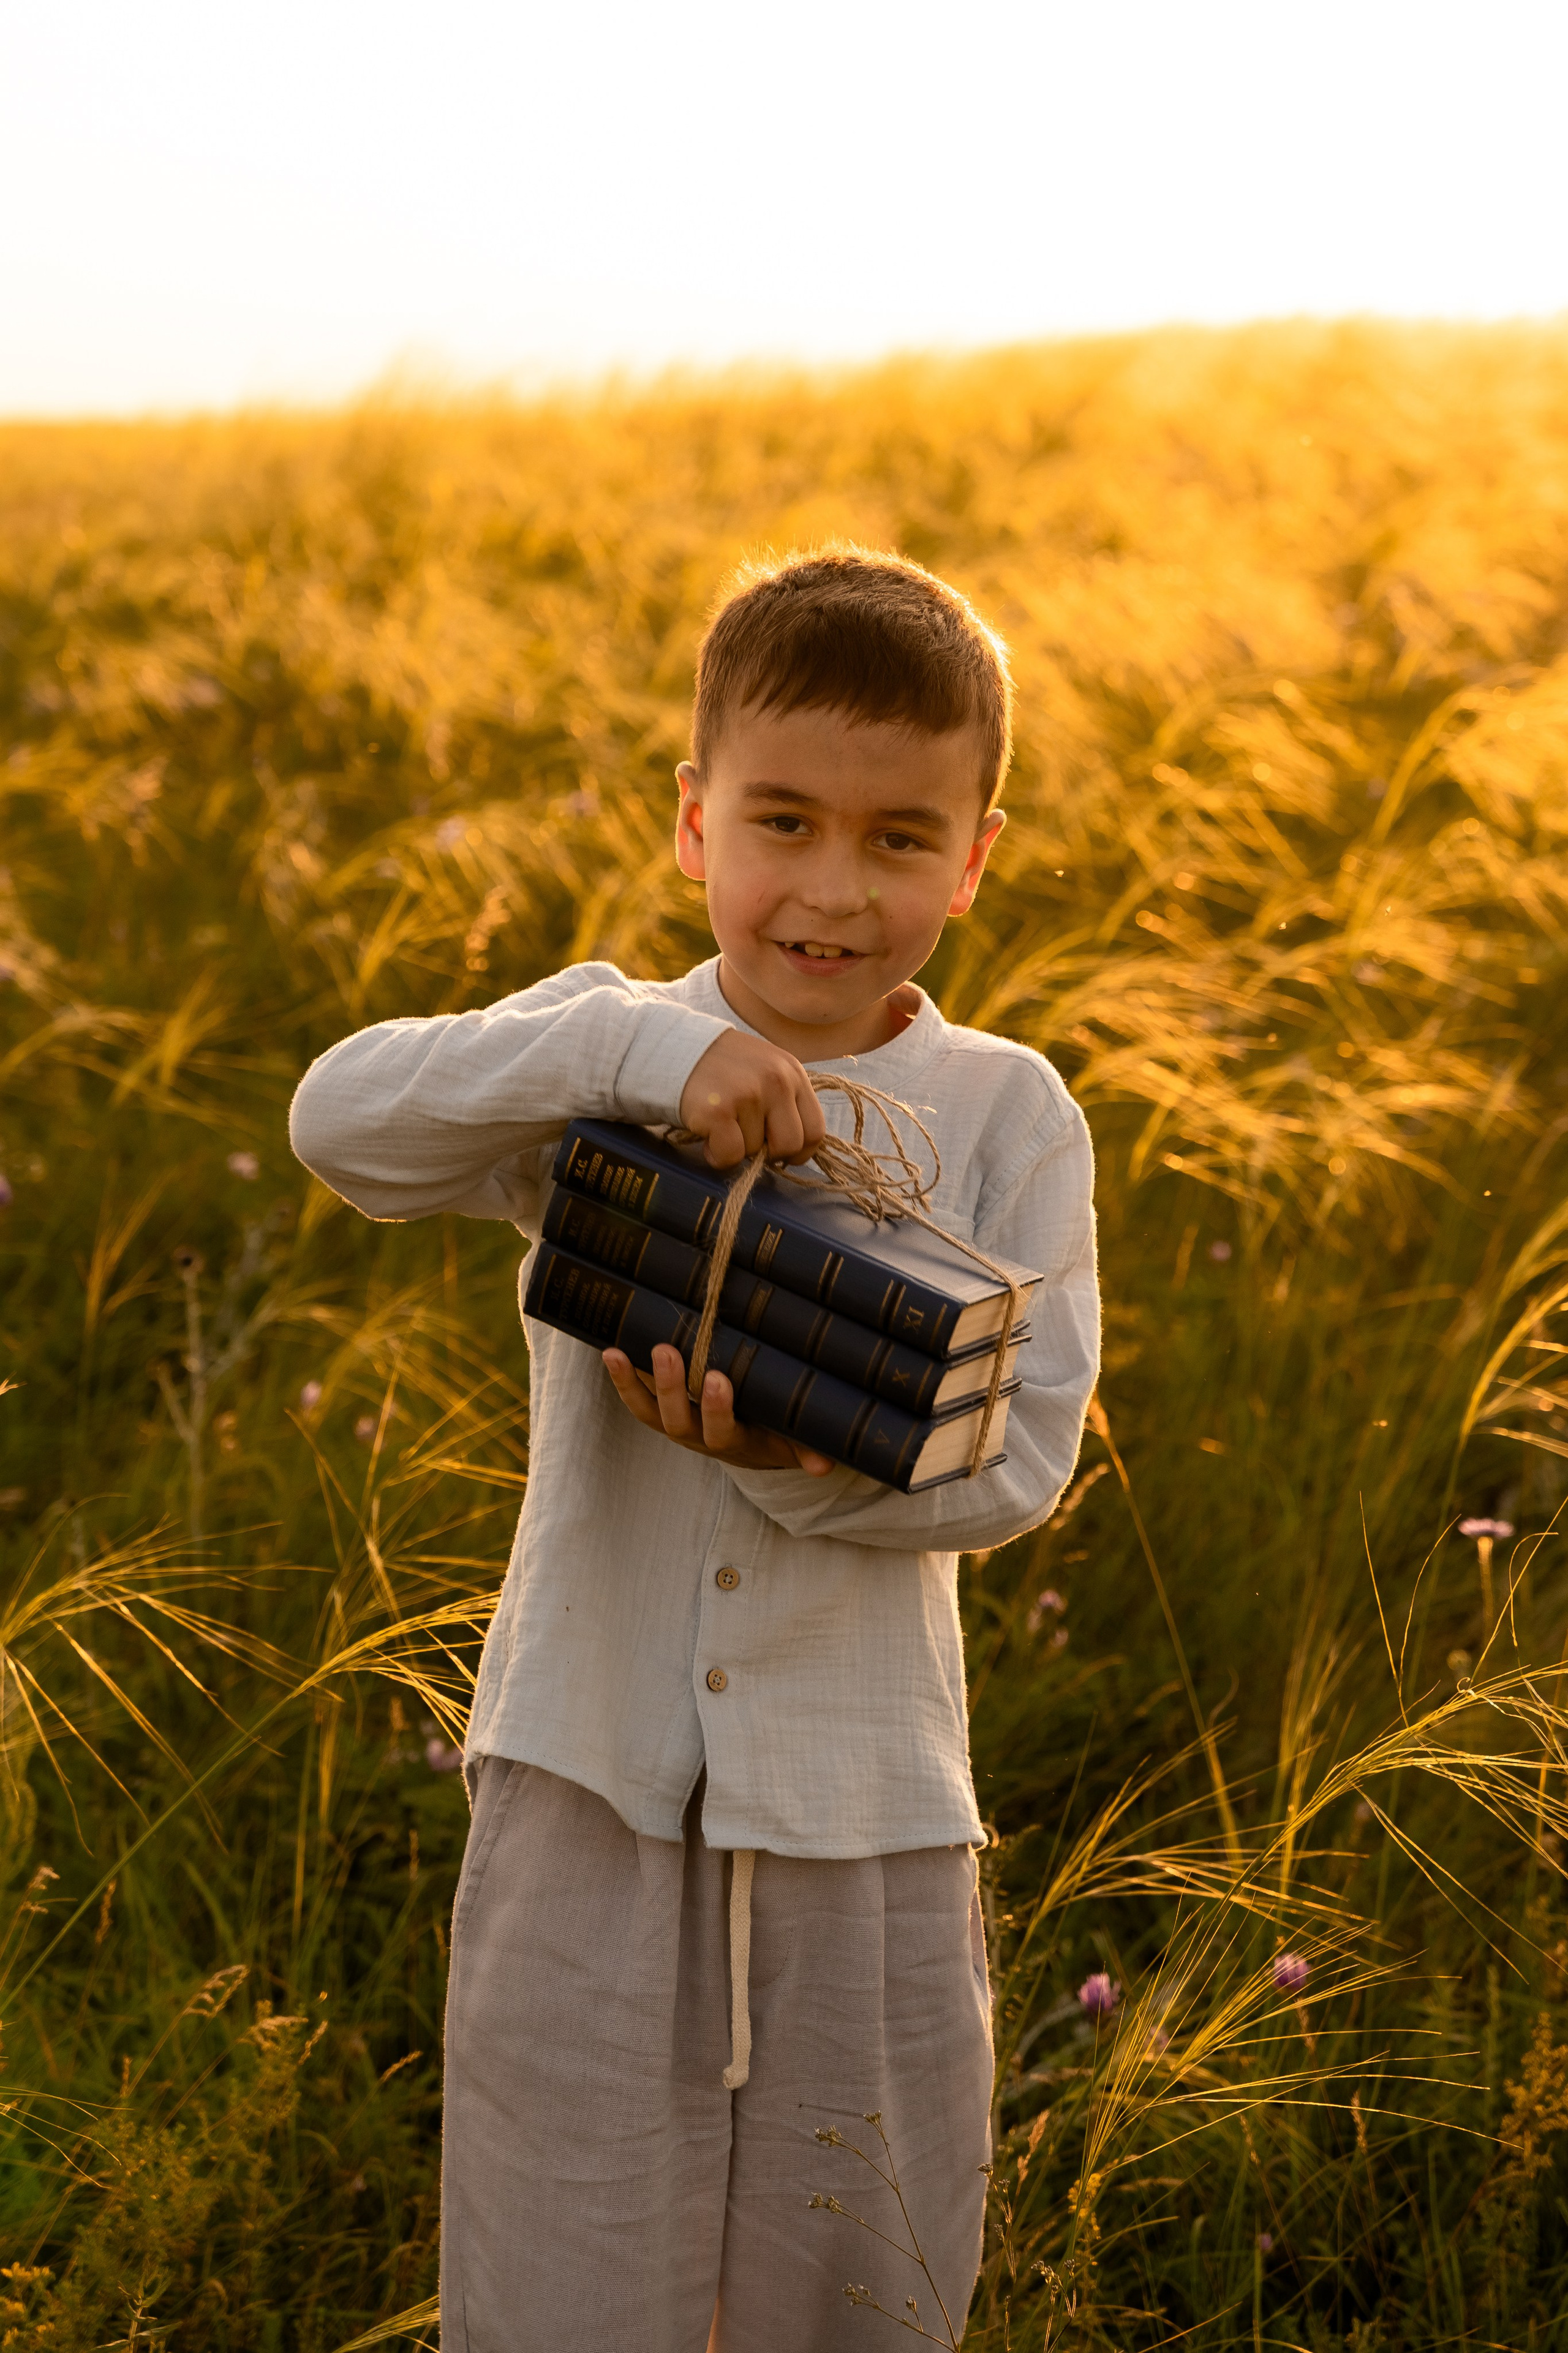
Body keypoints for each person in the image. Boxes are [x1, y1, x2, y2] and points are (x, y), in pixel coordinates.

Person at [288, 545, 1100, 2352]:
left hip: (869, 1819)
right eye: (784, 820)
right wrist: (634, 1042)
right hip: (583, 1784)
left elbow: (1026, 1453)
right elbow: (339, 1124)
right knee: (563, 2284)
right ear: (694, 821)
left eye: (901, 839)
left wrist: (788, 1457)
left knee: (857, 2295)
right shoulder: (598, 1058)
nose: (829, 889)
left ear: (975, 855)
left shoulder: (1008, 1112)